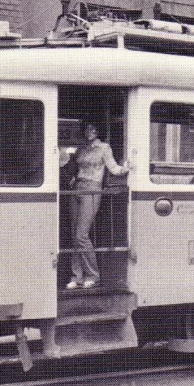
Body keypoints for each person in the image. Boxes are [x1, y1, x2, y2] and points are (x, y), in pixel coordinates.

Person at [67, 122, 129, 289]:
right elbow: (73, 168)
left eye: (93, 129)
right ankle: (76, 276)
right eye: (87, 129)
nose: (89, 132)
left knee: (82, 235)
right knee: (75, 234)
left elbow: (114, 169)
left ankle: (92, 275)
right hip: (77, 188)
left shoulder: (104, 148)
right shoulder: (81, 148)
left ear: (97, 131)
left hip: (93, 188)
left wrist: (127, 168)